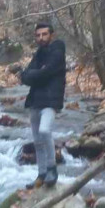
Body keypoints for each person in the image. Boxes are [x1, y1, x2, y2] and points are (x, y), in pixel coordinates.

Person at [21, 22, 66, 188]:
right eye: (38, 35)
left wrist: (35, 74)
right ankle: (41, 174)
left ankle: (52, 169)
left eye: (44, 34)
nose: (41, 38)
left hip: (51, 101)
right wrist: (35, 74)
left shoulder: (58, 49)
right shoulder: (38, 54)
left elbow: (47, 72)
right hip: (35, 102)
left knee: (45, 130)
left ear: (51, 35)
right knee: (37, 141)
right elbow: (25, 77)